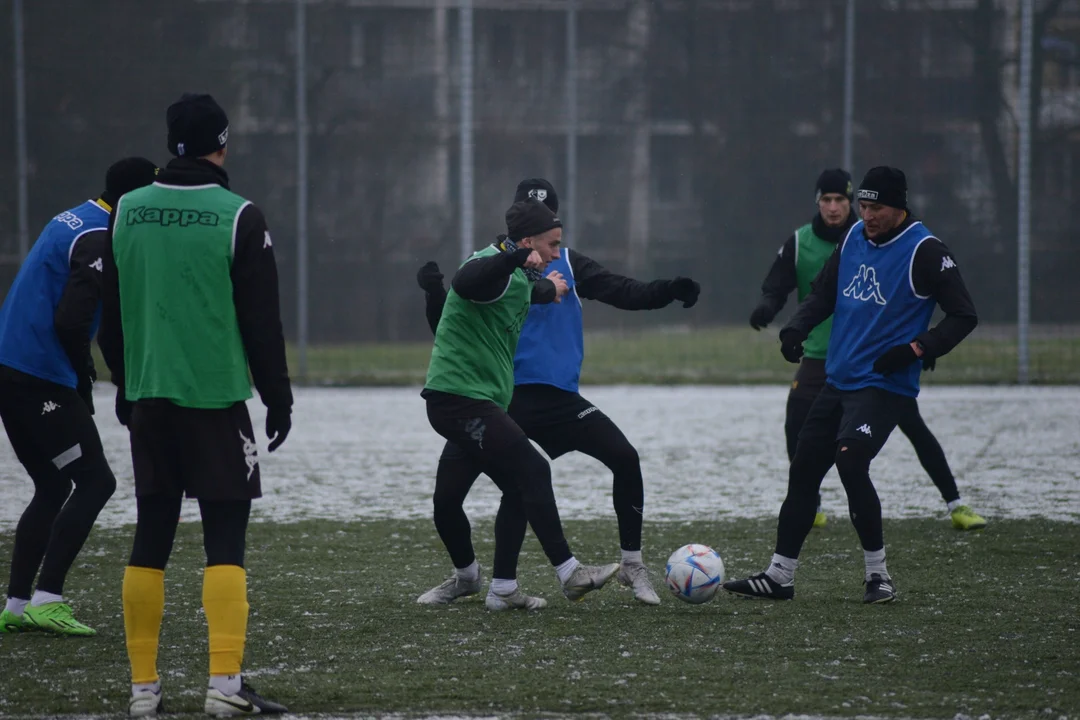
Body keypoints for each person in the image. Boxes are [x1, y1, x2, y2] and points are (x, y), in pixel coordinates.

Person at [417, 178, 701, 606]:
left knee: (621, 458)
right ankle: (489, 582)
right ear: (523, 231)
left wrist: (665, 291)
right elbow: (457, 313)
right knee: (461, 497)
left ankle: (629, 565)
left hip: (556, 400)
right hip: (498, 401)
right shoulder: (495, 265)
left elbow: (621, 290)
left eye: (554, 225)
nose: (553, 244)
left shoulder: (564, 263)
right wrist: (436, 294)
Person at [99, 94, 292, 717]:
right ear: (222, 144)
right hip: (214, 399)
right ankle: (224, 687)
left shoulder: (126, 208)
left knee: (150, 536)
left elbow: (112, 313)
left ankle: (143, 689)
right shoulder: (239, 215)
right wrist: (278, 397)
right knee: (225, 540)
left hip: (150, 397)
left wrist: (127, 386)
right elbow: (261, 322)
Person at [724, 166, 978, 604]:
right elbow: (823, 292)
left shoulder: (926, 250)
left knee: (850, 460)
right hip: (838, 380)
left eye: (875, 207)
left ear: (898, 206)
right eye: (863, 205)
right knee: (803, 469)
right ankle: (780, 575)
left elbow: (964, 315)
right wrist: (795, 329)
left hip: (885, 385)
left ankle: (878, 577)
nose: (866, 214)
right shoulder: (854, 237)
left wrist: (918, 349)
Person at [421, 197, 623, 612]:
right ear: (527, 241)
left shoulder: (520, 276)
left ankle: (496, 587)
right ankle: (569, 573)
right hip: (458, 402)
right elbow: (467, 281)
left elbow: (540, 288)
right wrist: (513, 257)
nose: (556, 253)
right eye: (552, 244)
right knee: (533, 469)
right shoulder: (492, 267)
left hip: (483, 404)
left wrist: (554, 288)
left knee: (478, 494)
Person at [0, 158, 158, 637]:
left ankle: (16, 605)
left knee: (52, 486)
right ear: (133, 200)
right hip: (39, 379)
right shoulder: (99, 237)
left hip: (12, 371)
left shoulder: (76, 217)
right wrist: (84, 375)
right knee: (95, 482)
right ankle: (49, 599)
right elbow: (72, 321)